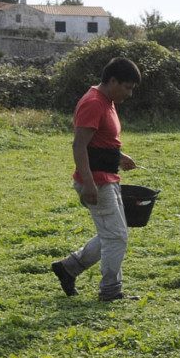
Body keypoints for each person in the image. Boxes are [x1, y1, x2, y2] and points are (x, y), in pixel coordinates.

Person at [51, 57, 142, 301]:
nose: (130, 93)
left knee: (112, 234)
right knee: (117, 237)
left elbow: (98, 141)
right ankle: (111, 292)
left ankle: (69, 268)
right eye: (128, 87)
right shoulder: (93, 102)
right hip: (97, 181)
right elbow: (79, 146)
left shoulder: (107, 101)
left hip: (107, 177)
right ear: (112, 81)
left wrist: (119, 156)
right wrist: (89, 184)